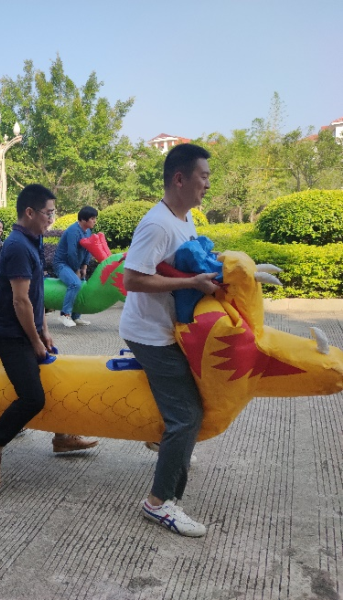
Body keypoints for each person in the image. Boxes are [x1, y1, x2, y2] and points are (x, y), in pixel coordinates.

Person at [120, 143, 216, 537]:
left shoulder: (185, 218)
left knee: (189, 409)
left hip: (168, 329)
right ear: (180, 178)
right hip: (149, 334)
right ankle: (158, 503)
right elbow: (131, 279)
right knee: (187, 415)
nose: (207, 184)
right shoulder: (157, 224)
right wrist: (191, 282)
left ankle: (170, 451)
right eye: (203, 176)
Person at [0, 184, 58, 489]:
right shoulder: (17, 246)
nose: (52, 218)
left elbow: (37, 294)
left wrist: (44, 330)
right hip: (11, 335)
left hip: (29, 330)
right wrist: (35, 341)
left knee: (55, 376)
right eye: (48, 213)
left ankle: (63, 435)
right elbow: (20, 301)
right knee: (33, 398)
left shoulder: (34, 239)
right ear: (30, 212)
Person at [54, 207, 97, 327]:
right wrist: (76, 269)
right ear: (83, 219)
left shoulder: (87, 231)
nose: (94, 221)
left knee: (83, 285)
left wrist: (84, 266)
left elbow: (88, 249)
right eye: (92, 218)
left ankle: (76, 316)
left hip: (76, 265)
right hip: (62, 264)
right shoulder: (73, 231)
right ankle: (65, 315)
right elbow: (71, 253)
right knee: (75, 283)